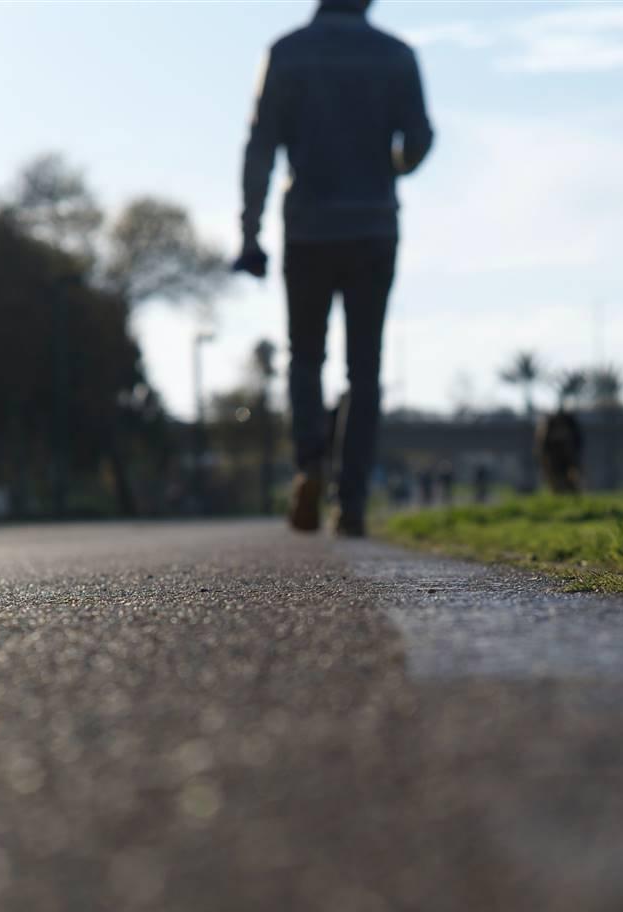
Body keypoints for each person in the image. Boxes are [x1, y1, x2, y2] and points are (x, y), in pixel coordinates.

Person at [235, 0, 434, 537]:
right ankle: (352, 502)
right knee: (364, 369)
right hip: (373, 227)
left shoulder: (286, 52)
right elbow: (419, 141)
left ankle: (310, 467)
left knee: (305, 358)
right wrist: (393, 166)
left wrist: (249, 232)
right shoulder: (397, 55)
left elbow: (260, 148)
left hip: (307, 228)